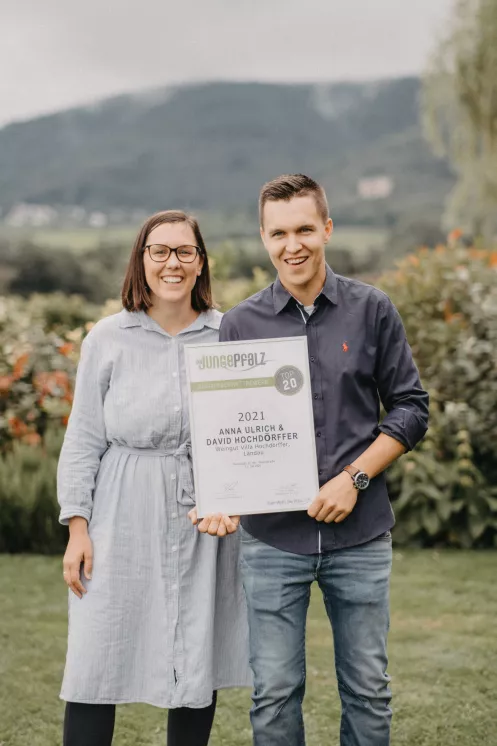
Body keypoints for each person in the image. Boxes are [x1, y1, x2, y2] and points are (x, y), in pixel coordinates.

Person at [197, 174, 429, 746]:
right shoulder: (239, 325)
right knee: (273, 694)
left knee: (369, 690)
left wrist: (354, 477)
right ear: (263, 238)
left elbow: (411, 408)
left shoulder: (371, 309)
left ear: (327, 228)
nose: (292, 245)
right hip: (273, 542)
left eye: (304, 228)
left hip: (361, 536)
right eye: (279, 233)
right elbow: (227, 431)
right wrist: (222, 497)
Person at [58, 210, 251, 746]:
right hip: (120, 507)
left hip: (204, 511)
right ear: (141, 261)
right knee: (97, 655)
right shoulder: (108, 338)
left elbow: (244, 429)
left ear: (200, 261)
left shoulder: (227, 334)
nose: (172, 262)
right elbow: (83, 438)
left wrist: (237, 496)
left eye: (184, 251)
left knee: (196, 649)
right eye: (159, 251)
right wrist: (77, 527)